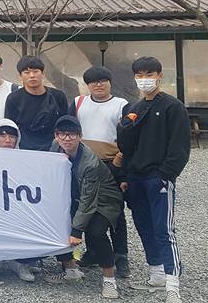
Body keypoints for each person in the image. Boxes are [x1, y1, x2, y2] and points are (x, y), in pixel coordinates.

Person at [118, 57, 190, 303]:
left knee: (163, 230)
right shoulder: (134, 108)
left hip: (158, 178)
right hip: (135, 178)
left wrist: (166, 175)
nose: (145, 79)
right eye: (140, 75)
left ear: (159, 75)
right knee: (144, 226)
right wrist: (125, 175)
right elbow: (126, 147)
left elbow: (180, 146)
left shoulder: (173, 106)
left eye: (149, 74)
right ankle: (156, 272)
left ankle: (172, 283)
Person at [47, 115, 124, 300]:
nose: (67, 138)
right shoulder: (55, 146)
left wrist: (77, 230)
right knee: (58, 224)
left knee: (95, 233)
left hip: (104, 199)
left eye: (72, 134)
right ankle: (70, 270)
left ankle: (109, 280)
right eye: (62, 134)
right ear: (56, 135)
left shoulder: (89, 162)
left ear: (80, 136)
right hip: (75, 196)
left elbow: (88, 200)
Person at [71, 66, 131, 277]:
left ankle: (121, 255)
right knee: (86, 206)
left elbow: (129, 136)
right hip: (84, 165)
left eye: (102, 80)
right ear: (87, 85)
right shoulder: (78, 103)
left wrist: (119, 162)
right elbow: (69, 130)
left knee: (115, 212)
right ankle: (93, 252)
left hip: (111, 164)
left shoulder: (122, 105)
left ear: (110, 82)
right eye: (93, 81)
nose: (98, 84)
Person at [0, 119, 37, 283]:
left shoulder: (26, 158)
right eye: (3, 136)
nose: (7, 140)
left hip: (17, 204)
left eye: (12, 136)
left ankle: (20, 263)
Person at [4, 55, 69, 151]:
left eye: (35, 71)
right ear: (20, 76)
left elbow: (66, 124)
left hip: (55, 149)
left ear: (43, 74)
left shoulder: (58, 96)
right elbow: (10, 128)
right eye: (27, 73)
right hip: (25, 150)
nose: (32, 76)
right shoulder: (14, 99)